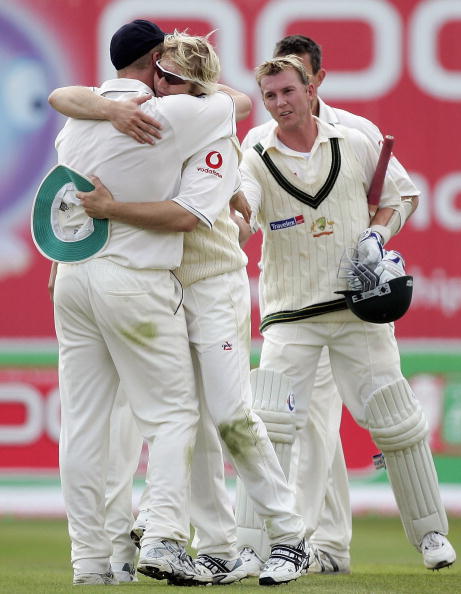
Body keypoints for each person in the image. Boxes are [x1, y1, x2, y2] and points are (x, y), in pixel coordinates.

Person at [50, 27, 312, 587]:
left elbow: (190, 211)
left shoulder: (206, 123)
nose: (160, 87)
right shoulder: (140, 112)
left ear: (193, 85)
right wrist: (108, 108)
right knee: (179, 425)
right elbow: (67, 96)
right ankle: (210, 544)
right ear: (148, 68)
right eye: (158, 72)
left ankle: (288, 537)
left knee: (228, 416)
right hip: (155, 286)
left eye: (173, 78)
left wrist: (112, 206)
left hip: (210, 284)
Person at [238, 54, 456, 571]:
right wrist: (235, 215)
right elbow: (246, 207)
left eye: (288, 91)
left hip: (357, 309)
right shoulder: (255, 152)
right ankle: (249, 546)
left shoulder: (354, 141)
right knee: (269, 425)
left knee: (395, 421)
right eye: (270, 96)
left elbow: (401, 195)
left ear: (310, 90)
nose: (280, 103)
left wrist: (378, 233)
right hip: (290, 313)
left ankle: (430, 537)